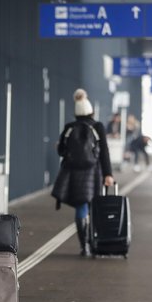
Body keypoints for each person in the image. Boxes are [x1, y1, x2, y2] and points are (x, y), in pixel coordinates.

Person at [51, 89, 115, 256]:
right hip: (93, 172)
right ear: (91, 111)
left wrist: (59, 146)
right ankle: (96, 242)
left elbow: (61, 151)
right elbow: (104, 152)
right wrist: (108, 174)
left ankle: (84, 245)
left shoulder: (69, 128)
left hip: (72, 173)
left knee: (81, 207)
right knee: (95, 206)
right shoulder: (98, 127)